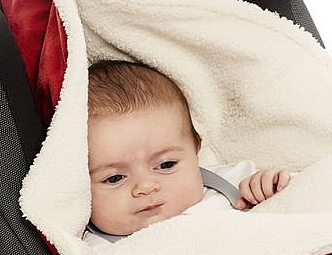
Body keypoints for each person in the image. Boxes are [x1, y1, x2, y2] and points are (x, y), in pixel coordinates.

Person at [85, 60, 292, 240]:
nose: (145, 187)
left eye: (166, 165)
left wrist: (269, 187)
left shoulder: (233, 184)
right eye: (114, 178)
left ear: (195, 149)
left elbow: (296, 197)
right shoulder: (95, 253)